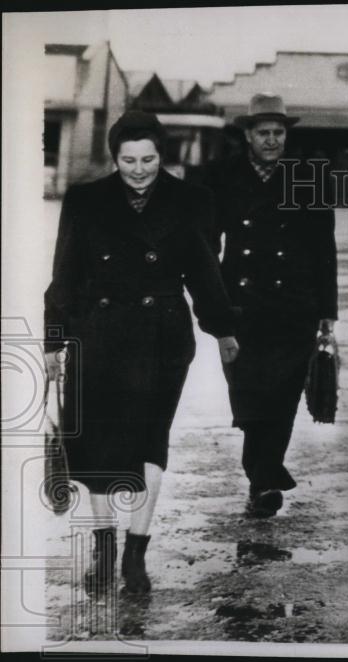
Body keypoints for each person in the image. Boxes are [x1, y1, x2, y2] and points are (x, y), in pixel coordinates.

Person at [43, 110, 239, 595]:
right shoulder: (86, 199)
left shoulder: (193, 200)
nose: (138, 169)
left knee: (151, 442)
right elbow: (65, 273)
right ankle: (103, 550)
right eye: (128, 159)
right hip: (99, 334)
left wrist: (224, 330)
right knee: (98, 449)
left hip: (163, 336)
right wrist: (52, 340)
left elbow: (204, 272)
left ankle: (136, 553)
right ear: (115, 157)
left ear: (161, 155)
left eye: (148, 158)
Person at [204, 93, 338, 518]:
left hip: (294, 305)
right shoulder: (221, 176)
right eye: (263, 132)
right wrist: (211, 303)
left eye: (278, 132)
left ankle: (263, 481)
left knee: (282, 397)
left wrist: (327, 312)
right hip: (240, 307)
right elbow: (207, 242)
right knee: (248, 394)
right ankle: (260, 471)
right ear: (247, 134)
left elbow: (324, 248)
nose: (272, 139)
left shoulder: (309, 177)